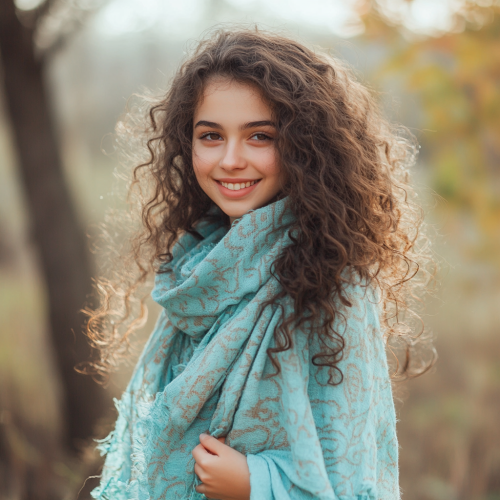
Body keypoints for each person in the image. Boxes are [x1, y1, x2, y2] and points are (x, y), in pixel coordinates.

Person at [87, 28, 432, 500]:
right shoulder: (198, 269)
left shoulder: (337, 284)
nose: (231, 159)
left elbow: (354, 474)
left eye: (259, 136)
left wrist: (255, 483)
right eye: (211, 135)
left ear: (304, 147)